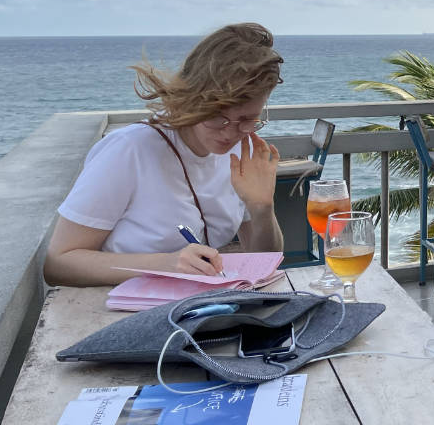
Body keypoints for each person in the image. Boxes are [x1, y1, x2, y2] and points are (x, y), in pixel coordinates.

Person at [44, 23, 287, 287]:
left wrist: (262, 209)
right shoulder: (129, 149)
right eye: (218, 117)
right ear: (193, 97)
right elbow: (58, 263)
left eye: (248, 119)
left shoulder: (239, 150)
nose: (231, 133)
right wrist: (166, 264)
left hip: (199, 311)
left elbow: (264, 259)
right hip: (122, 312)